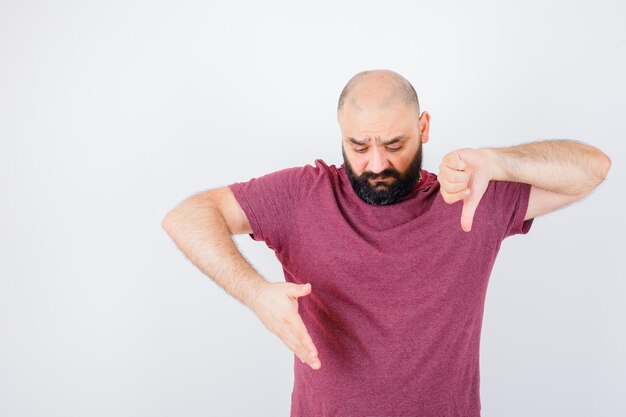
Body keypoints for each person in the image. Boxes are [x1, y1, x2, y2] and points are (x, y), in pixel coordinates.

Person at [161, 69, 611, 417]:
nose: (377, 163)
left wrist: (499, 161)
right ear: (340, 135)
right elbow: (188, 216)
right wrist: (255, 293)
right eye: (359, 146)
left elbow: (593, 168)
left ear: (424, 128)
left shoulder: (470, 196)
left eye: (394, 143)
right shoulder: (302, 195)